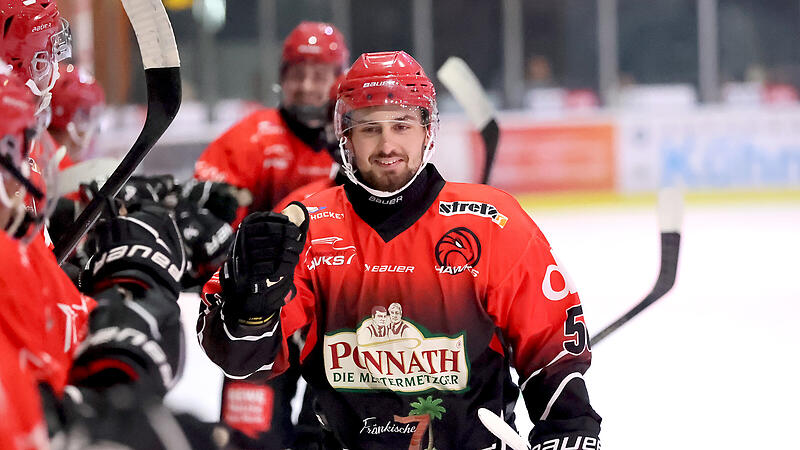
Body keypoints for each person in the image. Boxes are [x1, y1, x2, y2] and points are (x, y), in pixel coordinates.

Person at [198, 51, 602, 449]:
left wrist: (568, 425)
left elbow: (550, 344)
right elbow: (242, 361)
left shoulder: (492, 221)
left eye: (402, 125)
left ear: (427, 131)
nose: (387, 144)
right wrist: (249, 313)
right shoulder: (308, 224)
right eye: (369, 128)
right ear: (346, 137)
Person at [194, 21, 349, 227]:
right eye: (297, 75)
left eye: (319, 77)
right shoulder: (251, 136)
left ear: (339, 80)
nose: (306, 86)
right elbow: (205, 215)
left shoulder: (352, 141)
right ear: (282, 78)